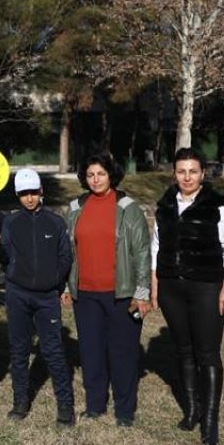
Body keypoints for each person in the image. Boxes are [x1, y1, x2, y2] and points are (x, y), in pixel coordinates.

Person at [151, 147, 224, 445]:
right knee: (183, 351)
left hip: (207, 287)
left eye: (192, 171)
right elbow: (157, 246)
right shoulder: (165, 205)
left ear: (203, 174)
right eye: (181, 171)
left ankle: (210, 421)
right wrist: (155, 283)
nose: (187, 176)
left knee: (207, 353)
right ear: (174, 174)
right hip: (172, 287)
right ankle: (192, 410)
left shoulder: (220, 206)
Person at [65, 153, 151, 427]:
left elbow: (141, 252)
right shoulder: (76, 207)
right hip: (86, 294)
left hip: (121, 294)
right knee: (91, 352)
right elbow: (68, 251)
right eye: (90, 175)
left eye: (100, 174)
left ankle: (124, 411)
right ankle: (95, 405)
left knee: (123, 353)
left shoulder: (129, 208)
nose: (95, 179)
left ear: (111, 175)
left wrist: (141, 293)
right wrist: (66, 286)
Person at [0, 169, 75, 426]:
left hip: (47, 297)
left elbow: (65, 257)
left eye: (33, 193)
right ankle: (20, 402)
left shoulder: (55, 222)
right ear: (18, 195)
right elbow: (5, 259)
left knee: (54, 350)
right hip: (18, 295)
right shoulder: (11, 223)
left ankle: (65, 406)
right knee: (19, 350)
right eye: (24, 194)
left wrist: (54, 280)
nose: (29, 198)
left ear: (41, 192)